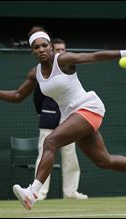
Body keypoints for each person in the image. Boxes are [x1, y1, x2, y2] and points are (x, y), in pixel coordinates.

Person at [0, 26, 126, 210]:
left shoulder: (64, 60)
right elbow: (18, 96)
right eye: (36, 47)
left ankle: (32, 193)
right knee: (104, 161)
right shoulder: (35, 74)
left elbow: (94, 56)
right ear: (32, 51)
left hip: (88, 108)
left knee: (50, 141)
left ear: (50, 46)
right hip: (72, 116)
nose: (41, 50)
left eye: (44, 45)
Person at [33, 38, 88, 200]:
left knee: (71, 157)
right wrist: (42, 113)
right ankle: (39, 193)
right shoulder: (42, 72)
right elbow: (37, 97)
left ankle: (70, 193)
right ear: (52, 50)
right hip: (48, 120)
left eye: (63, 50)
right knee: (44, 154)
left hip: (68, 119)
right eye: (58, 50)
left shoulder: (67, 68)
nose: (61, 53)